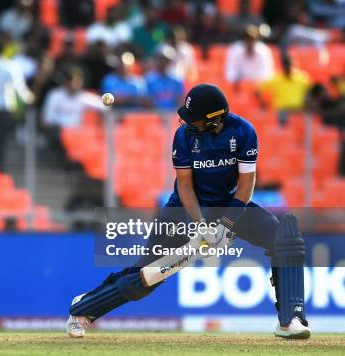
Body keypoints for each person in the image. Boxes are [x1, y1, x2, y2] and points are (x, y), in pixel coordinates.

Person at [66, 84, 310, 340]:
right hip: (184, 209)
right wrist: (201, 227)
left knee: (286, 240)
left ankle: (290, 320)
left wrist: (226, 224)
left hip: (230, 205)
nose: (186, 122)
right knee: (146, 276)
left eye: (195, 119)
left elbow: (246, 185)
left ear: (215, 119)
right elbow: (185, 185)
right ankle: (84, 309)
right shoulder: (184, 136)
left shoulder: (243, 131)